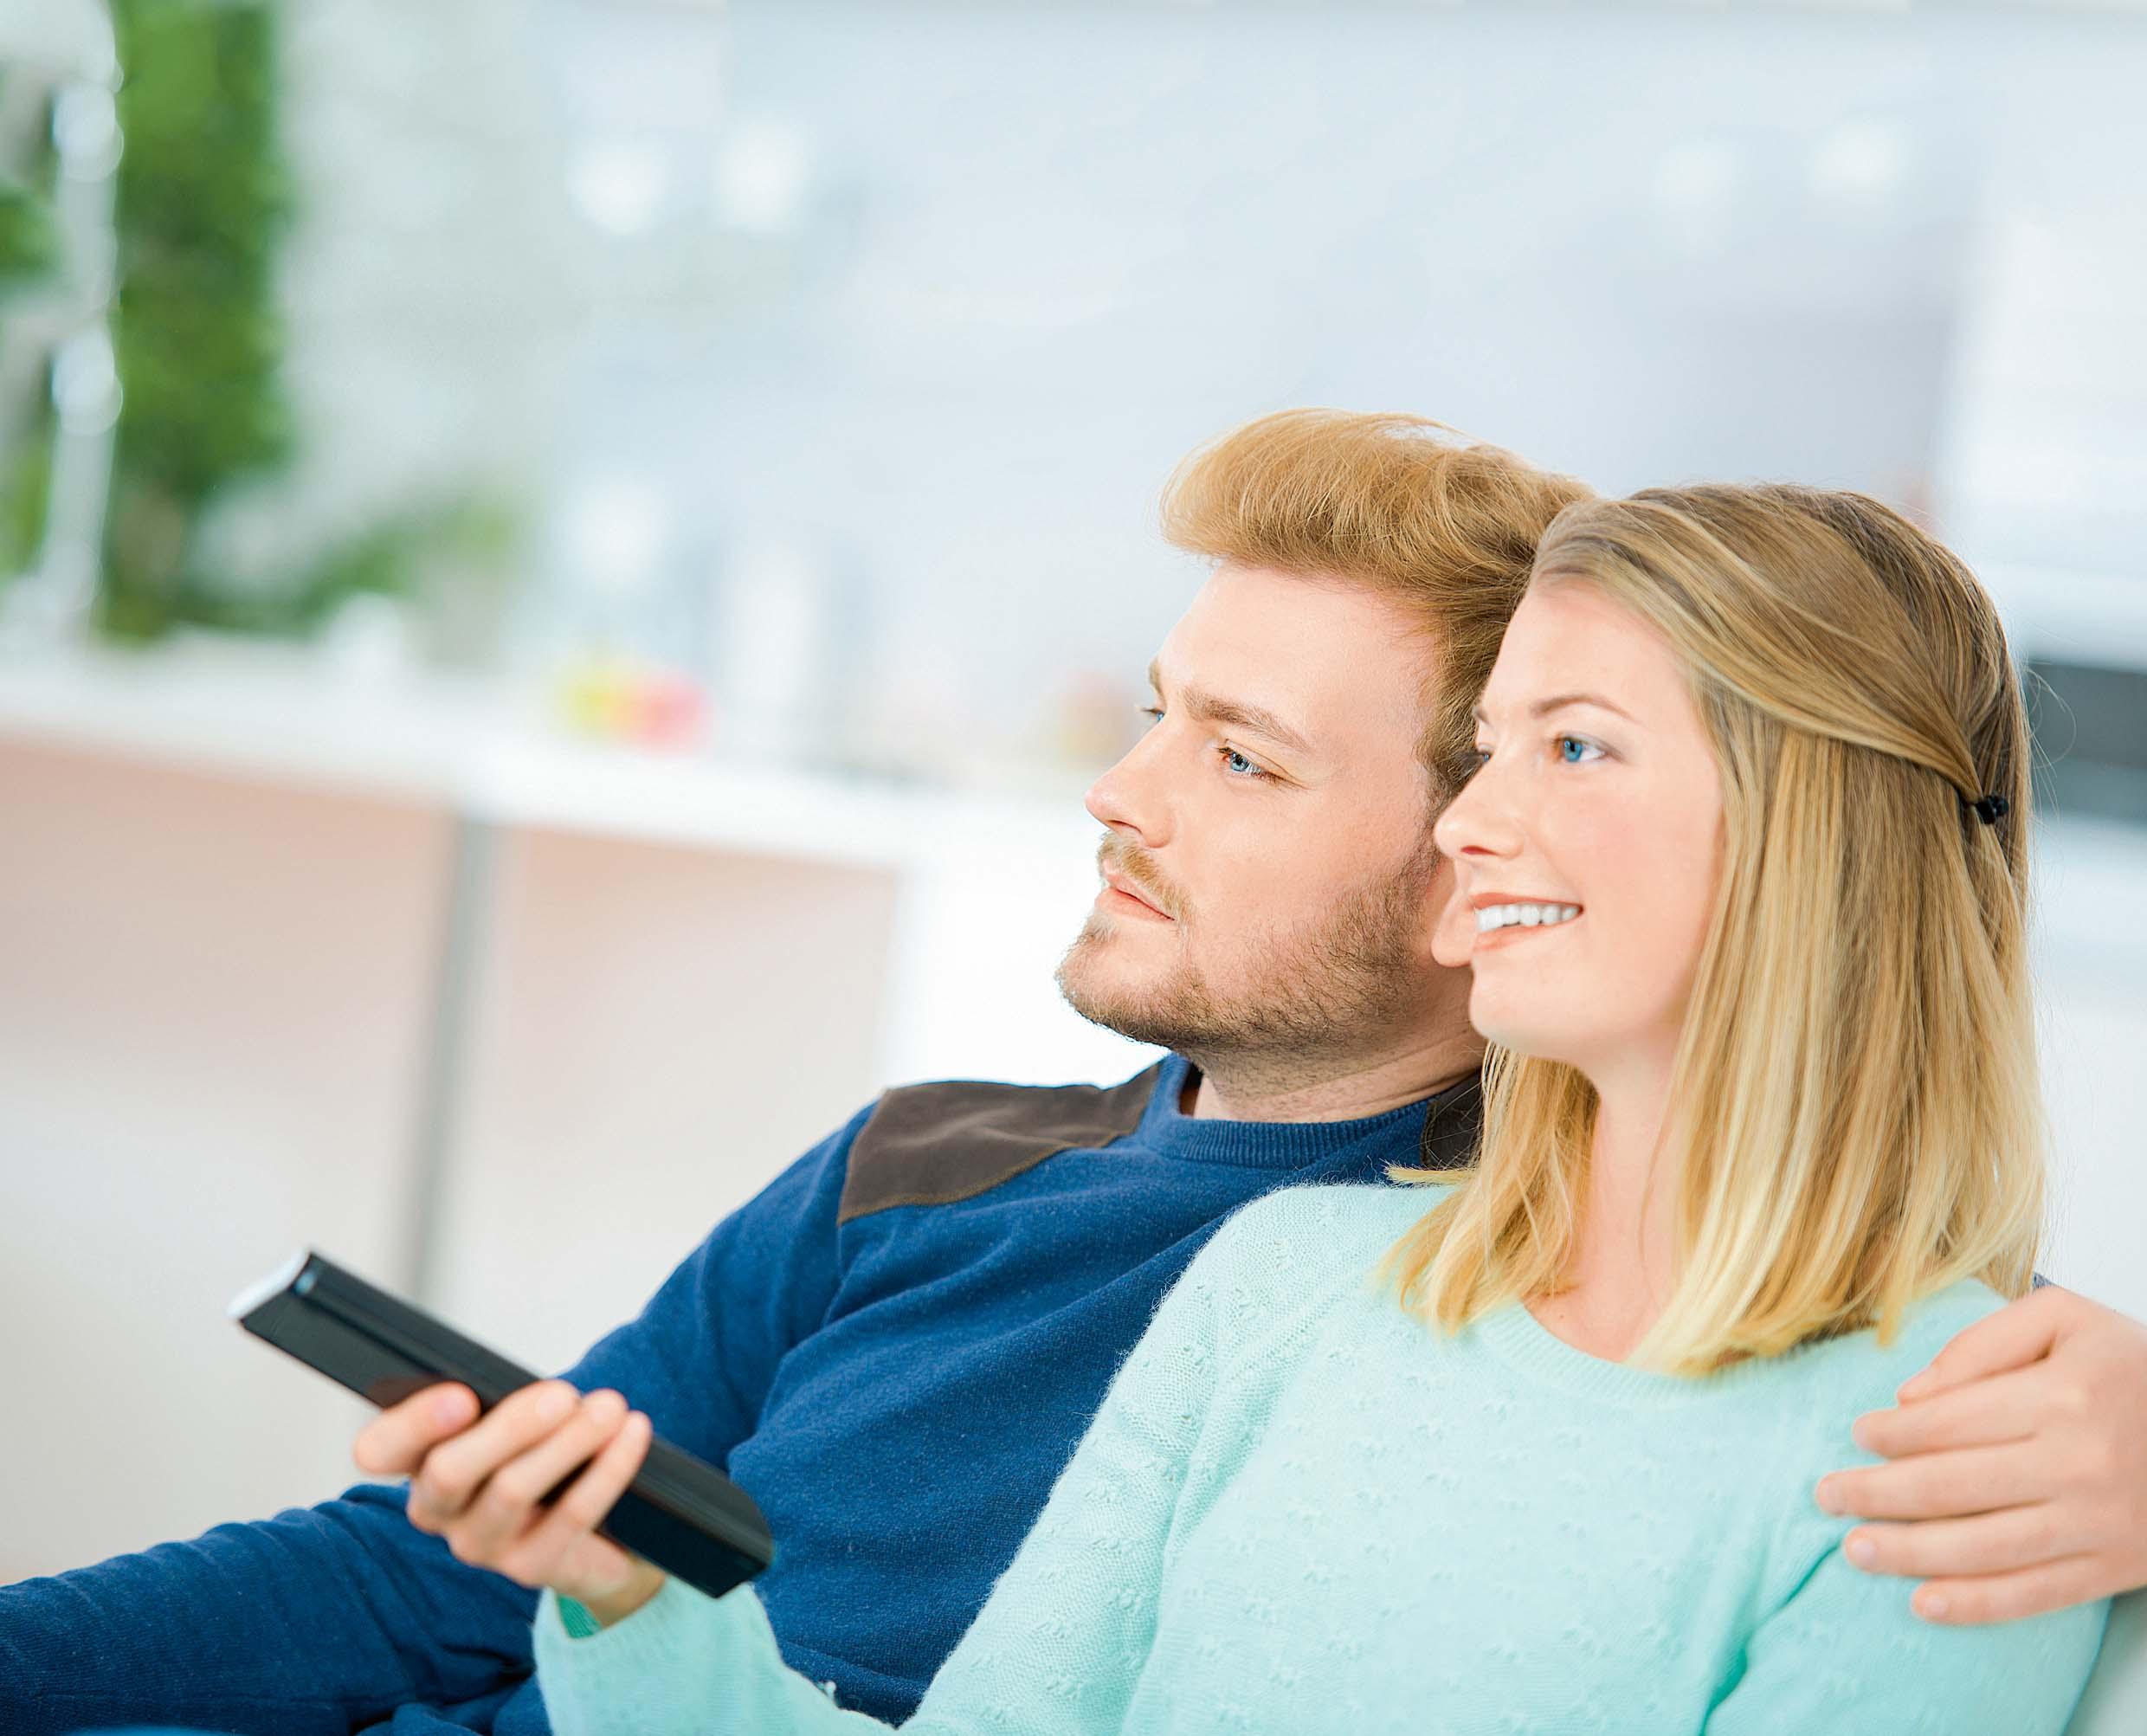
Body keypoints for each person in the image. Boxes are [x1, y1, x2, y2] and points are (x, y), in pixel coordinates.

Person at [3, 416, 2141, 1735]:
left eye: (1242, 756)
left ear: (1443, 877)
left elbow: (1830, 1299)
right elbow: (421, 1573)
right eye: (1152, 713)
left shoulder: (1756, 1363)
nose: (1119, 794)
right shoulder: (955, 1172)